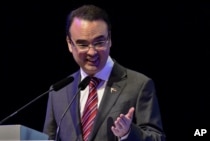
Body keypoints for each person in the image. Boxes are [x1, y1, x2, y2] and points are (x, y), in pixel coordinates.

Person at [43, 4, 166, 141]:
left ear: (110, 39)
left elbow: (157, 138)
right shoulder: (58, 92)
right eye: (83, 44)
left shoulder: (139, 85)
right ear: (69, 44)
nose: (92, 52)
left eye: (99, 42)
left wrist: (128, 133)